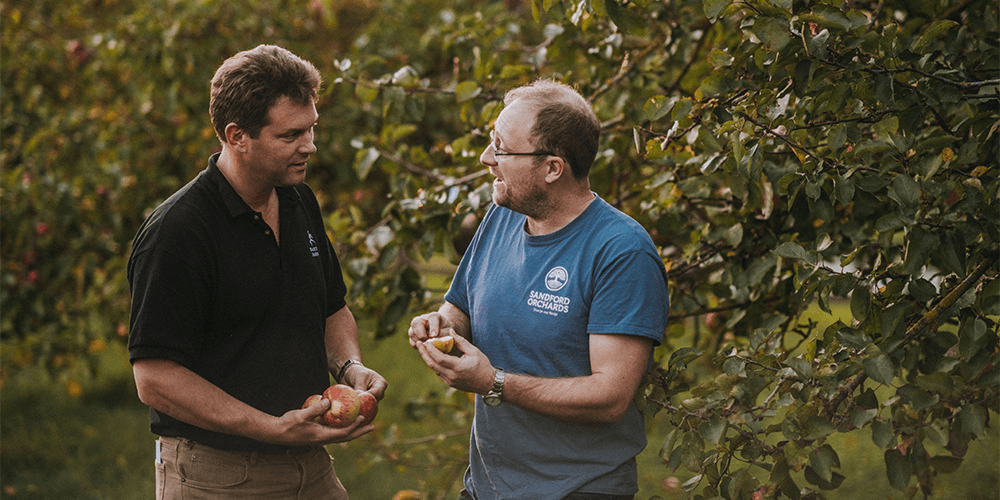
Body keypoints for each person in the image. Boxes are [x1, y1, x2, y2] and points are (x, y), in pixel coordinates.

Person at [127, 44, 387, 499]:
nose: (310, 146)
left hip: (311, 467)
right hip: (220, 477)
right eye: (291, 135)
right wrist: (270, 428)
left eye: (311, 129)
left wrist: (351, 367)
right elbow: (155, 377)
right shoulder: (179, 233)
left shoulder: (298, 199)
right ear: (237, 135)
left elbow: (330, 309)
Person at [408, 79, 670, 500]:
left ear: (552, 168)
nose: (486, 158)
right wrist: (440, 324)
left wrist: (494, 383)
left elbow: (610, 396)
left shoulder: (622, 252)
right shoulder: (503, 217)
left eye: (501, 147)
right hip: (486, 488)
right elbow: (461, 306)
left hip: (576, 490)